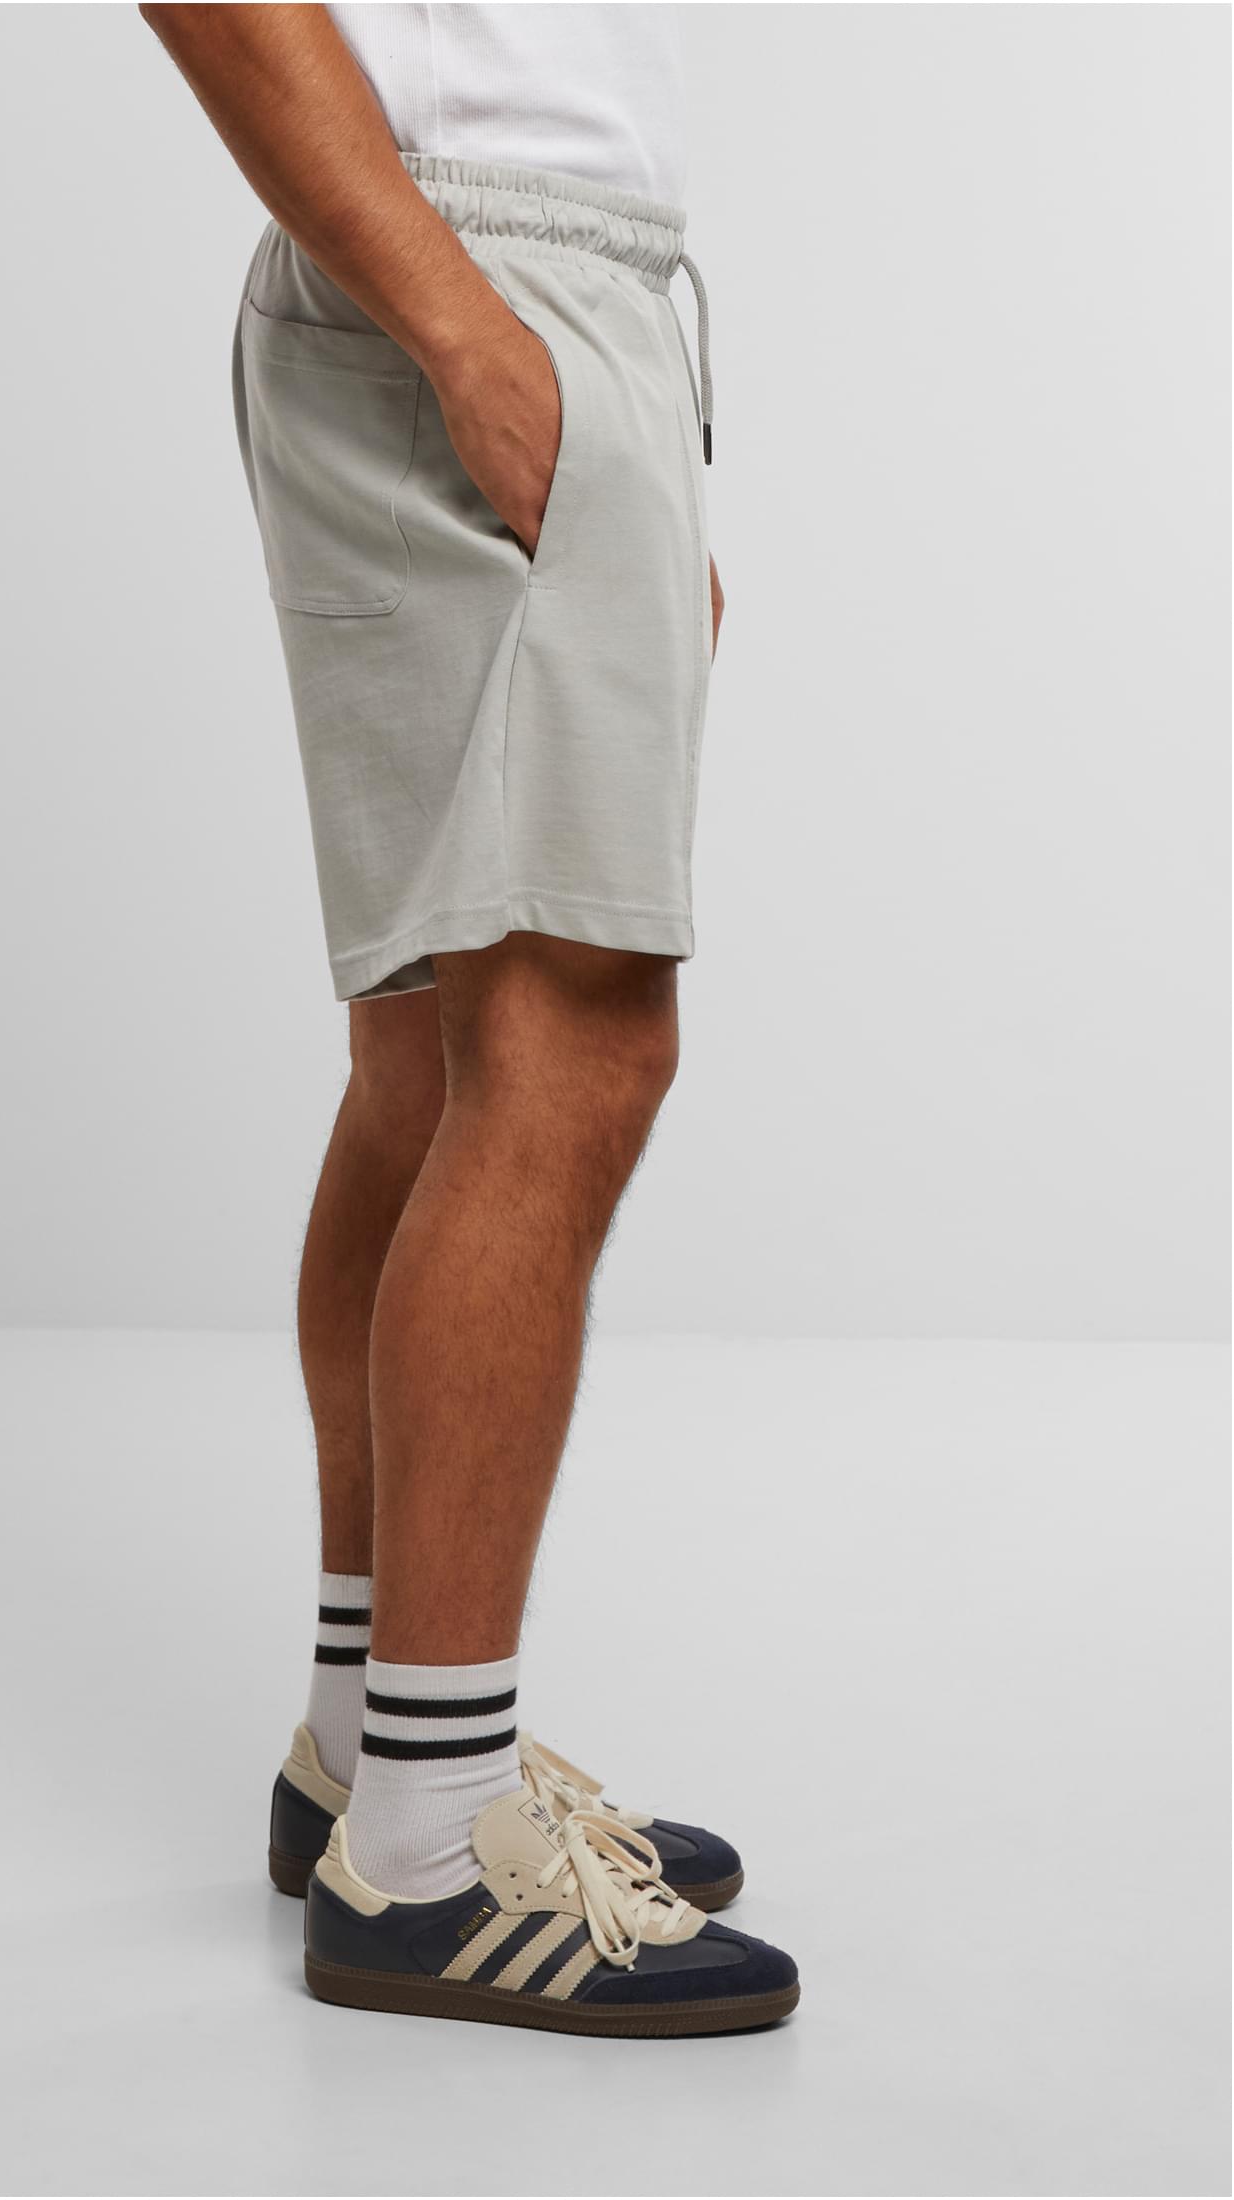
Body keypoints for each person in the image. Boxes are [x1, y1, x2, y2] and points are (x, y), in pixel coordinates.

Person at [140, 0, 798, 2036]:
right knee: (571, 1041)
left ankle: (374, 1745)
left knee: (435, 1057)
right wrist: (473, 335)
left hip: (509, 281)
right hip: (474, 279)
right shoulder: (473, 304)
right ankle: (428, 1846)